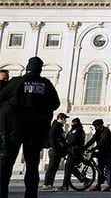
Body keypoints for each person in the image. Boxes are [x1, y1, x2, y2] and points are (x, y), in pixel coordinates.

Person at [0, 56, 60, 198]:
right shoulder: (45, 84)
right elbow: (55, 103)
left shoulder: (17, 82)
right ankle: (31, 195)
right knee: (32, 165)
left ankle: (2, 193)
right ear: (40, 70)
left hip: (15, 127)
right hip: (36, 130)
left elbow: (1, 95)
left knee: (7, 163)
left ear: (27, 69)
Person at [85, 118, 111, 191]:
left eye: (96, 126)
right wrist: (84, 147)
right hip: (101, 152)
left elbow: (103, 141)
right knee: (99, 168)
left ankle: (109, 185)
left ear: (100, 125)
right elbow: (93, 140)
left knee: (107, 168)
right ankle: (98, 185)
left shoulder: (106, 131)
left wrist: (95, 148)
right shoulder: (97, 132)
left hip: (107, 152)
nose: (95, 128)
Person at [42, 112, 68, 190]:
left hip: (58, 150)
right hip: (54, 150)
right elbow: (52, 138)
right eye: (64, 119)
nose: (65, 120)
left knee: (55, 167)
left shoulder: (59, 126)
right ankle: (46, 183)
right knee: (51, 166)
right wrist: (54, 148)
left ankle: (50, 183)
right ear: (60, 118)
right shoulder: (55, 126)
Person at [60, 118, 85, 191]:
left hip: (75, 152)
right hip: (72, 151)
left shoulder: (78, 130)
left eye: (73, 123)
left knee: (68, 168)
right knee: (69, 168)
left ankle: (65, 186)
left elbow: (72, 140)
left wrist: (67, 143)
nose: (72, 124)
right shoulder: (75, 130)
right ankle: (83, 179)